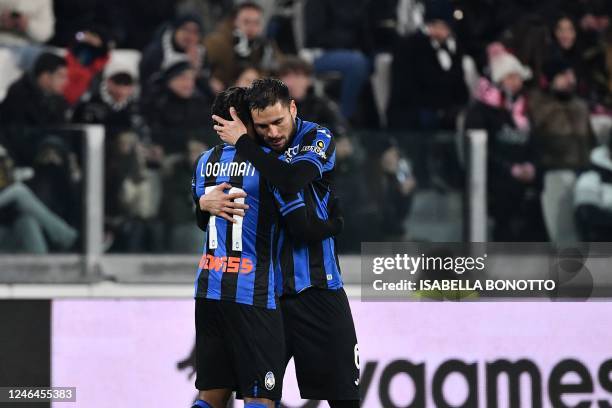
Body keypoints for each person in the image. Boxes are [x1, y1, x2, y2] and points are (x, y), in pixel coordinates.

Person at [190, 86, 342, 408]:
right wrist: (334, 223)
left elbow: (202, 220)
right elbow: (300, 223)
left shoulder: (204, 162)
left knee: (211, 395)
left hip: (209, 287)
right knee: (260, 396)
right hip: (253, 292)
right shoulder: (270, 166)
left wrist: (203, 202)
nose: (270, 133)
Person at [464, 45, 547, 241]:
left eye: (517, 77)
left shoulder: (525, 107)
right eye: (510, 77)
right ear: (499, 80)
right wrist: (509, 169)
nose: (516, 82)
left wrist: (532, 166)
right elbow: (479, 150)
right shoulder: (481, 110)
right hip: (495, 180)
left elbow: (535, 142)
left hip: (526, 177)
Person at [388, 0, 469, 130]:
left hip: (444, 108)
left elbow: (459, 83)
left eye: (445, 27)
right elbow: (413, 85)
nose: (441, 31)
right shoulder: (411, 46)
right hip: (415, 109)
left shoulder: (454, 48)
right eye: (437, 26)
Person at [204, 2, 282, 88]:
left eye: (256, 23)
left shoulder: (267, 46)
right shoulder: (218, 42)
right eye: (246, 22)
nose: (251, 27)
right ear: (235, 22)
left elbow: (280, 67)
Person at [278, 56, 348, 138]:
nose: (293, 82)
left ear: (309, 80)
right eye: (287, 76)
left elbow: (341, 129)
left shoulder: (321, 104)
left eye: (298, 76)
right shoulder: (275, 106)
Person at [0, 52, 68, 126]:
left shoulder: (57, 100)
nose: (65, 81)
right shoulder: (19, 96)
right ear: (45, 77)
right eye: (61, 76)